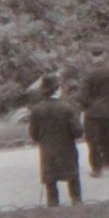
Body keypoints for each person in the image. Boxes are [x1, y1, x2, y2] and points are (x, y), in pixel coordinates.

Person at [27, 74, 84, 206]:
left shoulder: (37, 110)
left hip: (48, 152)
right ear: (57, 89)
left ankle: (53, 204)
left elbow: (33, 134)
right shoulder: (68, 108)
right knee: (73, 178)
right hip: (67, 150)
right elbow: (78, 132)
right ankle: (76, 201)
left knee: (50, 182)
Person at [78, 44, 109, 178]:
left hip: (92, 111)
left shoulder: (88, 72)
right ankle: (108, 161)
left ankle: (96, 168)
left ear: (91, 55)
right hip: (108, 108)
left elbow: (83, 95)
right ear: (103, 54)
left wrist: (84, 105)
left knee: (93, 140)